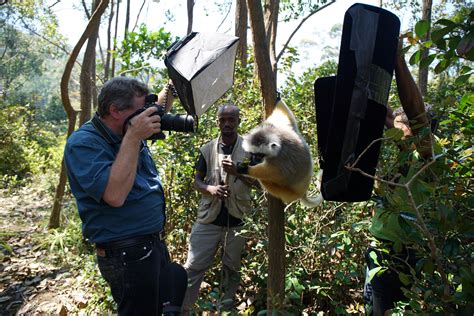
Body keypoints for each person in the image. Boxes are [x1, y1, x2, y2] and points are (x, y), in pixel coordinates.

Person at [64, 77, 184, 315]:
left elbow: (157, 108)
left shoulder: (126, 129)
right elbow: (115, 196)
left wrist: (172, 87)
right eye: (140, 111)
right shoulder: (84, 143)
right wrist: (132, 138)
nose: (146, 116)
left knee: (169, 295)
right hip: (126, 256)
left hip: (151, 246)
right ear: (115, 111)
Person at [365, 39, 435, 315]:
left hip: (408, 251)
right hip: (378, 247)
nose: (394, 127)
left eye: (400, 123)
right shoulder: (397, 147)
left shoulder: (430, 152)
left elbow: (416, 114)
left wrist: (398, 61)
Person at [181, 103, 257, 313]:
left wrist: (238, 171)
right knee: (194, 266)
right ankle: (184, 308)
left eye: (231, 119)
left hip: (237, 219)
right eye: (223, 120)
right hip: (209, 219)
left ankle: (226, 307)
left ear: (239, 121)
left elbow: (260, 183)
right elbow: (197, 182)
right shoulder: (207, 149)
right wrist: (211, 189)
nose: (227, 124)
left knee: (231, 268)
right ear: (217, 123)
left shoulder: (251, 150)